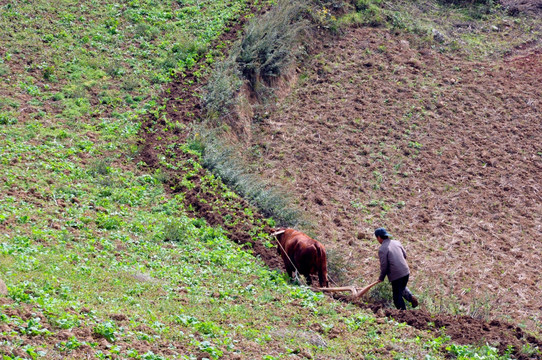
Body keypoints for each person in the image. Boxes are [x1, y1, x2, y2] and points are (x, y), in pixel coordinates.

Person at [374, 228, 418, 310]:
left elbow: (384, 266)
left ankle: (404, 315)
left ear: (379, 237)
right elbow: (404, 255)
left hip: (396, 275)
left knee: (396, 298)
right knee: (401, 288)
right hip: (406, 272)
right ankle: (411, 297)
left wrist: (381, 278)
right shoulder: (396, 242)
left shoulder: (382, 249)